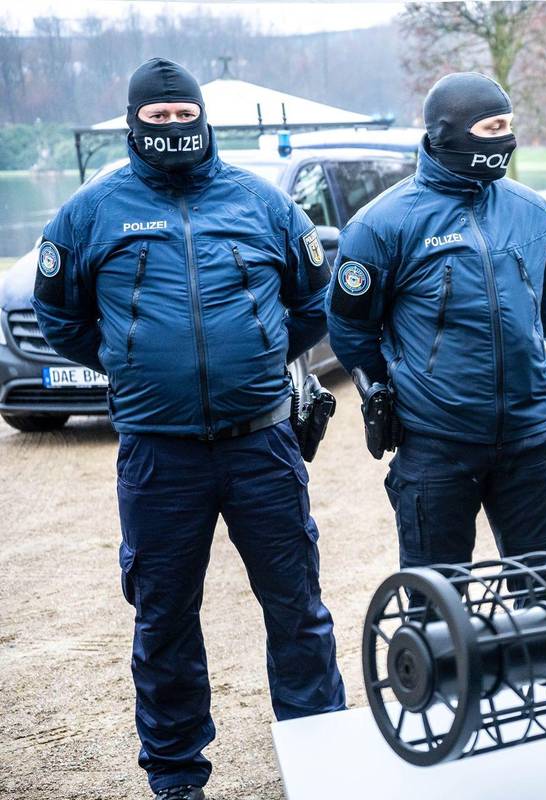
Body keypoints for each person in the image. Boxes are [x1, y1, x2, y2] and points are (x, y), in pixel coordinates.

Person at [31, 58, 345, 800]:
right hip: (157, 454)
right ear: (136, 121)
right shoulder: (90, 211)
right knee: (165, 619)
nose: (173, 126)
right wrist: (128, 358)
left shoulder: (262, 204)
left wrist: (263, 351)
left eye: (183, 114)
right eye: (157, 116)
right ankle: (176, 777)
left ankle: (322, 761)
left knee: (296, 609)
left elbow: (314, 299)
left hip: (261, 444)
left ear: (203, 117)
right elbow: (60, 314)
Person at [327, 72, 546, 570]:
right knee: (437, 605)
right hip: (436, 447)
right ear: (448, 133)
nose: (505, 138)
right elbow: (350, 332)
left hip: (530, 440)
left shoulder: (532, 210)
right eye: (491, 127)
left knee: (545, 599)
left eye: (509, 124)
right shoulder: (381, 224)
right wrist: (399, 392)